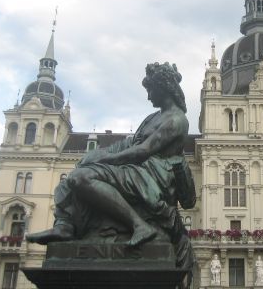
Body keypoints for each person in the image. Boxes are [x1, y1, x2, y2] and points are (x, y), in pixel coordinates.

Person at [27, 62, 196, 269]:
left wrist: (103, 160)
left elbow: (143, 150)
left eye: (150, 90)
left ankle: (139, 225)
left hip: (153, 174)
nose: (149, 96)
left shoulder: (177, 120)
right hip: (137, 168)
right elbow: (129, 144)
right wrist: (97, 154)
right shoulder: (154, 117)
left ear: (163, 87)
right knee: (73, 178)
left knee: (81, 178)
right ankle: (66, 226)